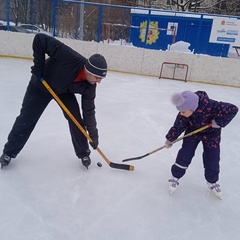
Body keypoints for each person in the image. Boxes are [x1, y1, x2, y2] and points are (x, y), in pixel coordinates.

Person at [0, 33, 107, 170]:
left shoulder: (90, 86)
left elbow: (89, 112)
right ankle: (9, 152)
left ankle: (83, 153)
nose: (99, 81)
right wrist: (39, 67)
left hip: (63, 92)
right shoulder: (69, 56)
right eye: (98, 77)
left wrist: (93, 135)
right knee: (27, 118)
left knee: (75, 119)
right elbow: (40, 39)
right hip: (41, 85)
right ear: (89, 71)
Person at [165, 90, 238, 198]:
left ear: (192, 108)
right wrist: (170, 139)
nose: (181, 114)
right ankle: (175, 177)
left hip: (212, 134)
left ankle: (212, 182)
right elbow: (178, 126)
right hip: (193, 133)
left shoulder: (212, 105)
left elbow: (233, 109)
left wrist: (217, 122)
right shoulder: (183, 113)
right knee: (185, 154)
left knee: (212, 157)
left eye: (183, 112)